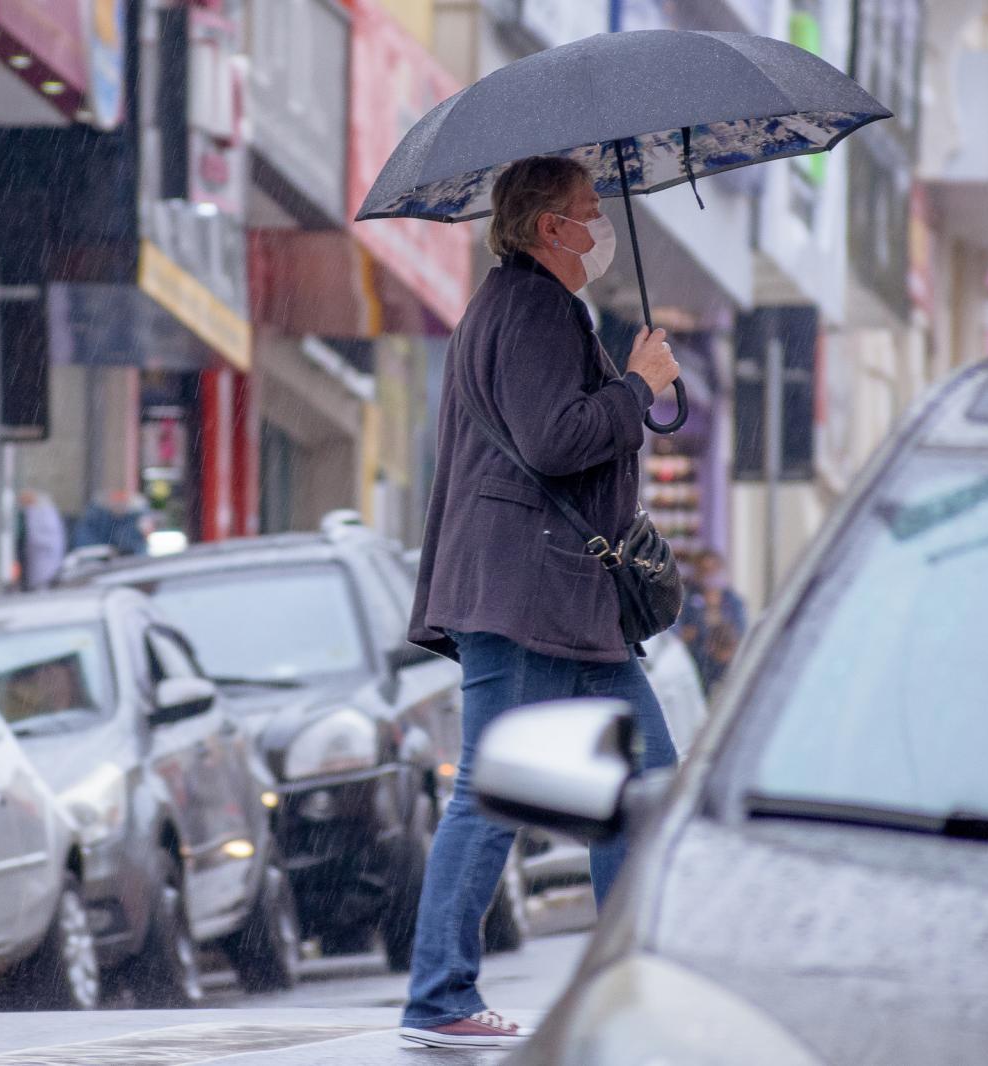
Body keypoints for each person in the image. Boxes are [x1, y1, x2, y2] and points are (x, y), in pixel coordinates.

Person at [398, 155, 683, 1050]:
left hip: (561, 597)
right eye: (588, 210)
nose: (600, 224)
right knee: (491, 791)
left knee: (644, 789)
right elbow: (554, 441)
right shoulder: (530, 307)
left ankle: (626, 986)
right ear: (548, 227)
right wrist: (638, 387)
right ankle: (439, 998)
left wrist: (631, 382)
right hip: (526, 589)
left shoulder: (536, 308)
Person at [679, 548, 748, 694]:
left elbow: (740, 634)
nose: (708, 575)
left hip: (724, 668)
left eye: (712, 570)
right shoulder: (685, 599)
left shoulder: (732, 601)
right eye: (703, 570)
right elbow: (678, 634)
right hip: (693, 667)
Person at [17, 490, 68, 591]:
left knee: (42, 588)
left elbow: (39, 536)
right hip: (40, 560)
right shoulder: (35, 511)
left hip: (45, 560)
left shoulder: (43, 512)